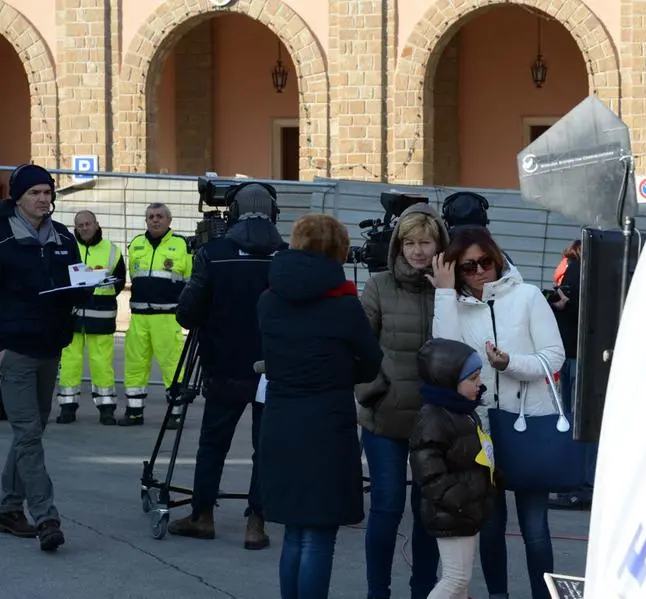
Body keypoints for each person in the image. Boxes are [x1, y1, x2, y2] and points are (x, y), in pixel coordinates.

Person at [428, 226, 565, 599]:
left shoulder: (528, 296)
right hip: (481, 427)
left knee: (535, 528)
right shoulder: (452, 304)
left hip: (528, 421)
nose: (478, 272)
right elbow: (444, 356)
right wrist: (443, 292)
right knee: (489, 525)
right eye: (467, 266)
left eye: (484, 262)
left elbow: (554, 357)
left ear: (496, 257)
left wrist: (509, 364)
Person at [258, 213, 383, 599]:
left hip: (280, 418)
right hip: (327, 422)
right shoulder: (344, 307)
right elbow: (372, 362)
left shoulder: (267, 300)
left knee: (294, 532)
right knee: (318, 536)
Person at [167, 184, 286, 550]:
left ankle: (202, 515)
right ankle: (256, 524)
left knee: (213, 444)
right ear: (273, 214)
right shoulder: (285, 256)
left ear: (232, 213)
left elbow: (187, 313)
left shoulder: (212, 253)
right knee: (265, 447)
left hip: (222, 364)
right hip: (272, 369)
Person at [356, 203, 449, 599]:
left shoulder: (451, 286)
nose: (416, 250)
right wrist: (373, 390)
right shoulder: (379, 286)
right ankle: (378, 591)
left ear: (438, 244)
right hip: (385, 420)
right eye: (409, 242)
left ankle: (423, 591)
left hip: (436, 422)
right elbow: (360, 347)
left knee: (428, 514)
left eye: (424, 242)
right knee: (387, 507)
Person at [0, 164, 92, 551]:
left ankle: (7, 508)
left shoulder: (63, 237)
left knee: (33, 429)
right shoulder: (3, 237)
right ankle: (46, 516)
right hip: (15, 351)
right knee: (28, 434)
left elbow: (71, 287)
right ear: (18, 197)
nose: (43, 199)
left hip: (50, 347)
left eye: (47, 192)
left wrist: (88, 284)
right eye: (35, 192)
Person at [410, 338, 497, 599]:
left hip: (466, 510)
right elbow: (429, 474)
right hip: (451, 512)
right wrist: (460, 499)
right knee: (456, 579)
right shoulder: (433, 418)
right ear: (448, 380)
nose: (479, 383)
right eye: (473, 378)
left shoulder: (465, 413)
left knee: (461, 583)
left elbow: (474, 456)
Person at [120, 202, 191, 427]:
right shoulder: (136, 244)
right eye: (150, 216)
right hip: (139, 316)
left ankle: (175, 413)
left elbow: (191, 281)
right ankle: (134, 412)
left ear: (169, 220)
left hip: (167, 317)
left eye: (160, 216)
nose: (155, 220)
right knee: (135, 365)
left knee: (172, 365)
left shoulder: (182, 245)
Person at [55, 210, 126, 425]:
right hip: (72, 315)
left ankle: (106, 409)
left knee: (102, 362)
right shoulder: (67, 248)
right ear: (75, 228)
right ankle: (67, 407)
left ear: (96, 224)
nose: (84, 228)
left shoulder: (112, 250)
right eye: (80, 225)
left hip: (101, 315)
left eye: (88, 223)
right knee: (69, 362)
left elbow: (120, 281)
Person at [548, 239, 594, 509]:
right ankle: (580, 481)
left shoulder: (570, 268)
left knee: (572, 419)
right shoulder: (585, 269)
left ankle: (579, 482)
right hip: (575, 354)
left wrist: (566, 304)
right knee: (575, 419)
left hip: (568, 353)